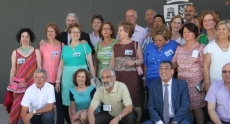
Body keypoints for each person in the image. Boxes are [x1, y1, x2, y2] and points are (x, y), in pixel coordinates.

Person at [55, 23, 96, 124]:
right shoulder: (65, 48)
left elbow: (90, 63)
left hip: (82, 76)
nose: (76, 34)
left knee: (83, 99)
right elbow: (60, 66)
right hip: (67, 77)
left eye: (78, 32)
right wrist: (57, 81)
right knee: (69, 102)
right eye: (74, 32)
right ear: (70, 33)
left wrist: (93, 77)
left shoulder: (85, 46)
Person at [172, 23, 206, 124]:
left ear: (195, 33)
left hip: (196, 83)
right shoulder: (179, 48)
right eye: (184, 32)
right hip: (182, 84)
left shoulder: (201, 47)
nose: (186, 34)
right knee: (186, 108)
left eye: (189, 32)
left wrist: (205, 81)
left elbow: (205, 66)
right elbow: (174, 63)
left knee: (197, 108)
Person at [8, 28, 41, 124]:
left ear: (30, 38)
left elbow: (39, 67)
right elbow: (13, 69)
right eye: (23, 36)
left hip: (32, 83)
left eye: (27, 36)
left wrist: (39, 82)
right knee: (17, 105)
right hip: (18, 84)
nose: (25, 38)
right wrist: (11, 83)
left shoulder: (36, 51)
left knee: (30, 105)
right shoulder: (15, 52)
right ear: (20, 38)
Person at [110, 21, 143, 106]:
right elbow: (112, 64)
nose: (118, 32)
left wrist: (133, 62)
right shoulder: (115, 46)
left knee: (132, 98)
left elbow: (141, 60)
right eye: (118, 30)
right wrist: (110, 76)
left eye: (120, 30)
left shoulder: (135, 44)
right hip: (118, 78)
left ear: (127, 31)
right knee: (119, 99)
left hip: (131, 78)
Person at [39, 23, 64, 124]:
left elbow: (63, 63)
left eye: (52, 31)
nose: (50, 33)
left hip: (58, 79)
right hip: (47, 80)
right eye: (48, 31)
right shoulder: (43, 45)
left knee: (59, 104)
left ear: (56, 33)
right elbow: (39, 63)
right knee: (47, 104)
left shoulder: (62, 45)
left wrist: (58, 80)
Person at [203, 20, 230, 91]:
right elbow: (206, 66)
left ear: (229, 32)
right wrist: (207, 82)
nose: (221, 31)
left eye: (224, 29)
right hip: (215, 85)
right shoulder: (210, 46)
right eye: (219, 29)